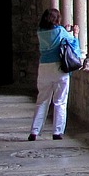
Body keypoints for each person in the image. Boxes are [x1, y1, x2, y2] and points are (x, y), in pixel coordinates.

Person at [28, 8, 82, 141]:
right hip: (58, 69)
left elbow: (54, 35)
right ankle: (57, 132)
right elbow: (72, 42)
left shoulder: (40, 32)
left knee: (41, 101)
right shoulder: (60, 31)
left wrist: (64, 29)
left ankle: (34, 132)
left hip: (44, 68)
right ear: (56, 19)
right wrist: (75, 33)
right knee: (60, 101)